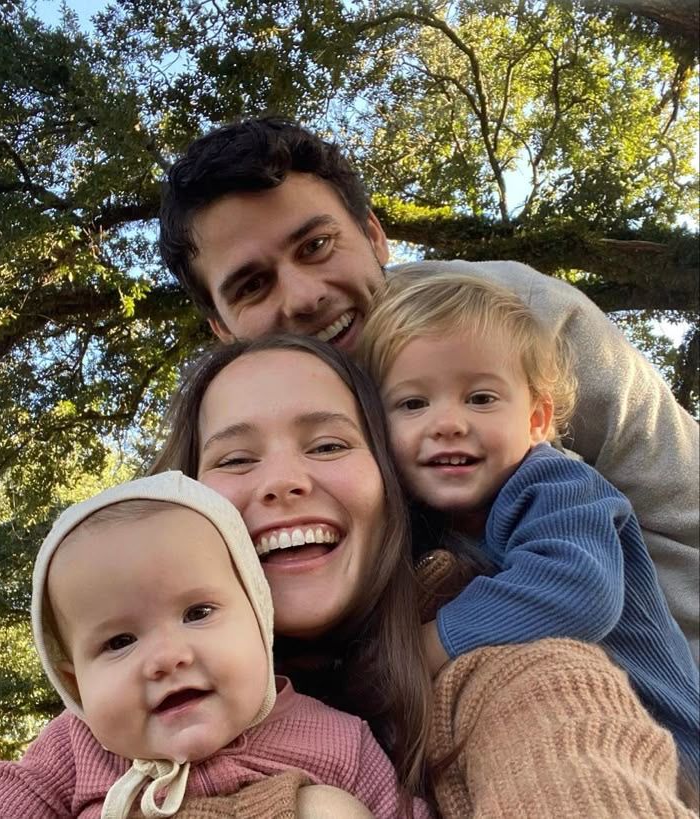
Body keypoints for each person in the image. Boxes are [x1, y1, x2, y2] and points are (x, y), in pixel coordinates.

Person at [158, 116, 699, 663]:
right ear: (223, 330)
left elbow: (680, 507)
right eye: (252, 285)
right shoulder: (222, 436)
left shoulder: (513, 319)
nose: (302, 296)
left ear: (373, 235)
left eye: (317, 245)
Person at [151, 333, 697, 816]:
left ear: (395, 487)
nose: (282, 481)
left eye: (328, 445)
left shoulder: (504, 664)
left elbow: (568, 758)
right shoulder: (125, 691)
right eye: (236, 460)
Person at [358, 268, 700, 779]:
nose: (448, 422)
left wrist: (423, 647)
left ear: (538, 419)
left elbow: (577, 591)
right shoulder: (422, 519)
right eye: (413, 404)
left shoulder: (558, 487)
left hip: (668, 753)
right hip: (552, 743)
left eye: (480, 398)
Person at [0, 471, 430, 818]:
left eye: (197, 614)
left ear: (259, 615)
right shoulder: (74, 747)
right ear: (75, 685)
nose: (168, 658)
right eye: (120, 641)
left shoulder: (339, 740)